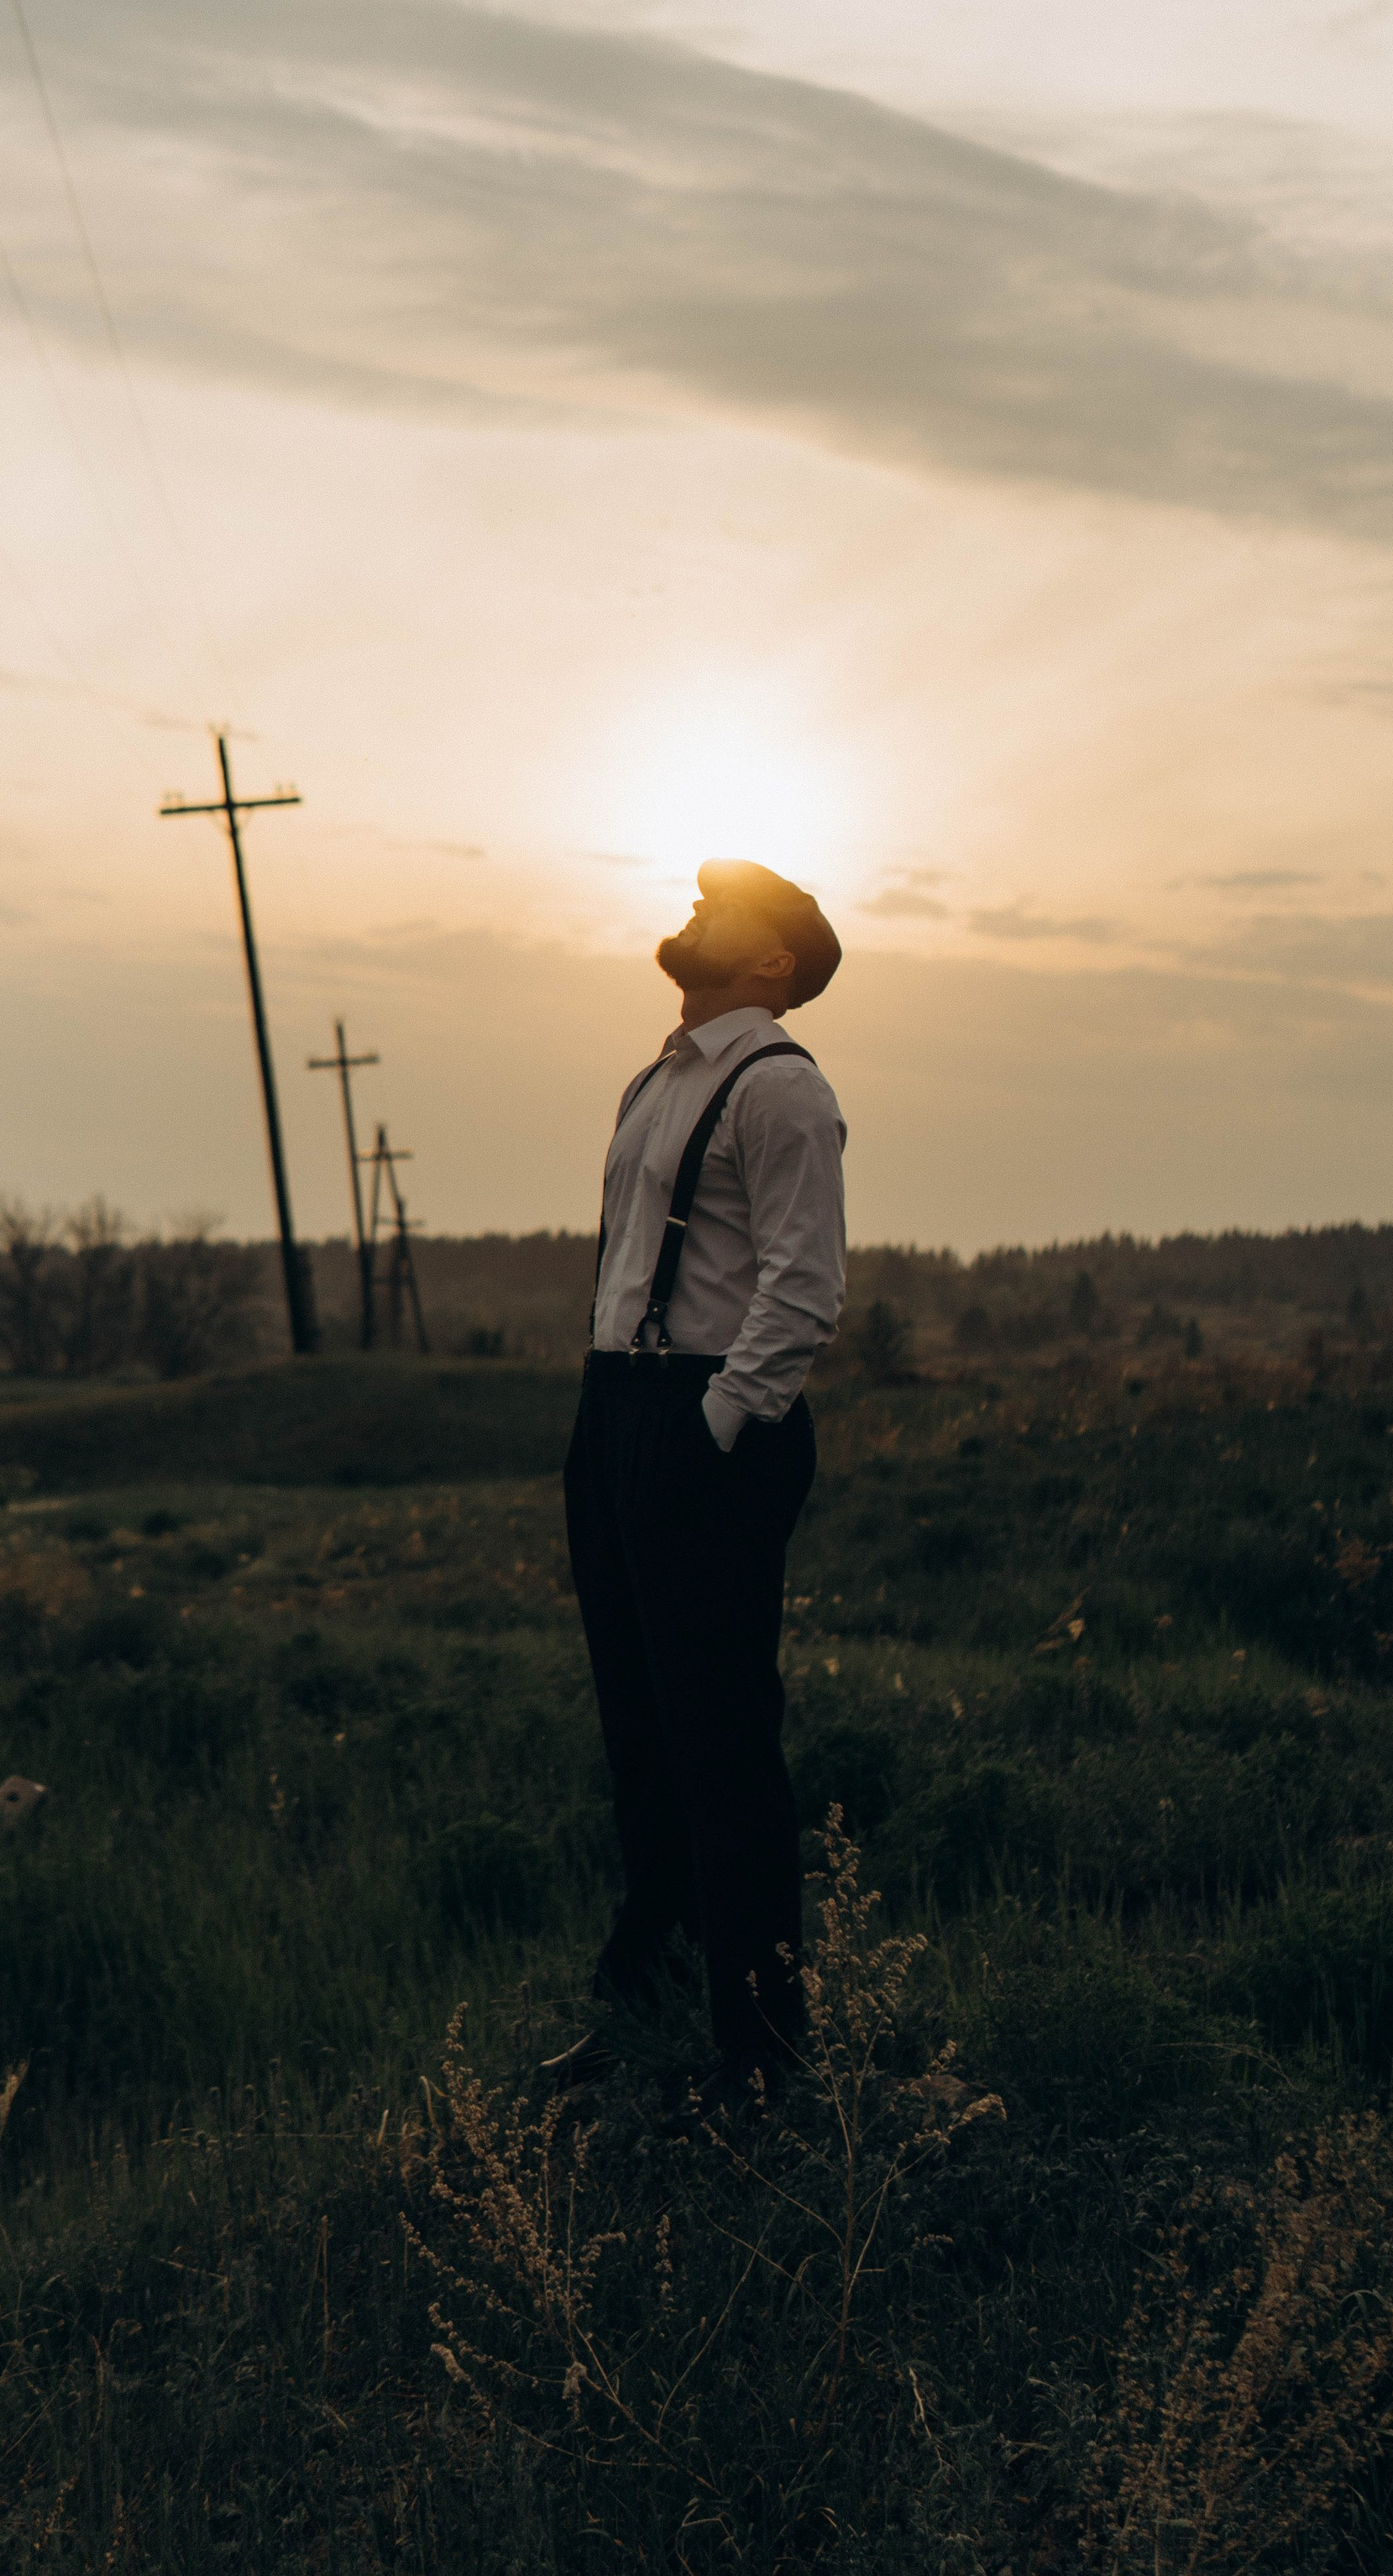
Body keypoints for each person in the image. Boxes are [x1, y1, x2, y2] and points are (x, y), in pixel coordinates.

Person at [547, 856, 846, 2110]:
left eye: (720, 908)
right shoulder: (654, 1080)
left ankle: (761, 2050)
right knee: (640, 1729)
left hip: (707, 1421)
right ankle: (653, 2002)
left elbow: (803, 1287)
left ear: (772, 961)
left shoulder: (782, 1089)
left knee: (720, 1740)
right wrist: (609, 1424)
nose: (694, 915)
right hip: (617, 1410)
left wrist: (711, 1428)